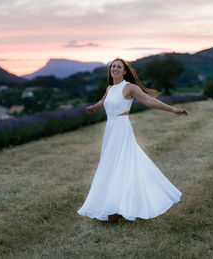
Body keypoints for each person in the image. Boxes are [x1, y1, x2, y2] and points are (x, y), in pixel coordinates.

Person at [77, 58, 189, 222]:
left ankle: (119, 208)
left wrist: (174, 109)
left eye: (118, 67)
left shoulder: (130, 87)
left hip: (122, 129)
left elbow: (150, 101)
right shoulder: (110, 88)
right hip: (110, 130)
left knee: (122, 164)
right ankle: (113, 205)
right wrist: (93, 108)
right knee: (111, 165)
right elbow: (103, 102)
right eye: (113, 66)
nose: (115, 69)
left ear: (124, 71)